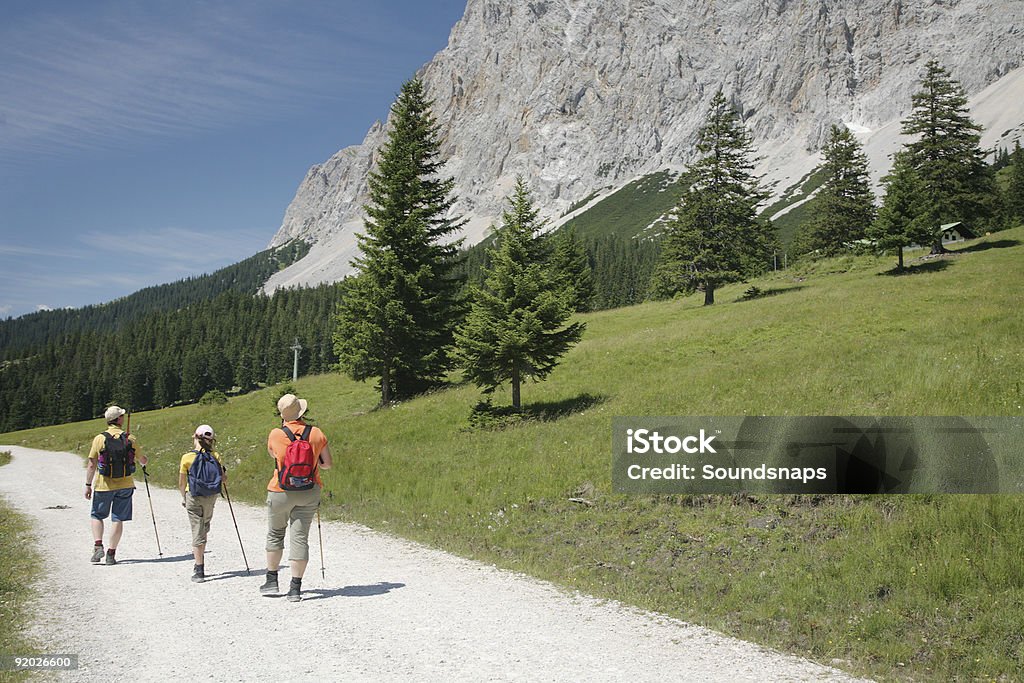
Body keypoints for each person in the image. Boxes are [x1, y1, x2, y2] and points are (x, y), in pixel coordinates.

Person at [261, 393, 333, 602]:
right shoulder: (317, 433)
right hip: (309, 491)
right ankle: (295, 588)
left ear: (283, 415)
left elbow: (274, 456)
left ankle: (272, 581)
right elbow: (327, 464)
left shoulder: (275, 434)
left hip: (280, 490)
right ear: (301, 411)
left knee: (275, 533)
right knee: (300, 538)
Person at [85, 405, 147, 565]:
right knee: (117, 518)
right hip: (126, 484)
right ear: (119, 419)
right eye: (122, 416)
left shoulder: (100, 438)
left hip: (103, 485)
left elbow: (92, 464)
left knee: (97, 515)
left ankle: (98, 545)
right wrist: (142, 459)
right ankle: (111, 554)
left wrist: (88, 484)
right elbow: (143, 460)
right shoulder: (129, 438)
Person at [178, 424, 226, 583]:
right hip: (211, 496)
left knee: (197, 530)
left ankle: (199, 569)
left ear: (195, 437)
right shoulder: (216, 456)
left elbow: (181, 482)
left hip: (193, 494)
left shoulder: (187, 457)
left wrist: (184, 497)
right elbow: (223, 479)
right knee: (204, 527)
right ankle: (199, 559)